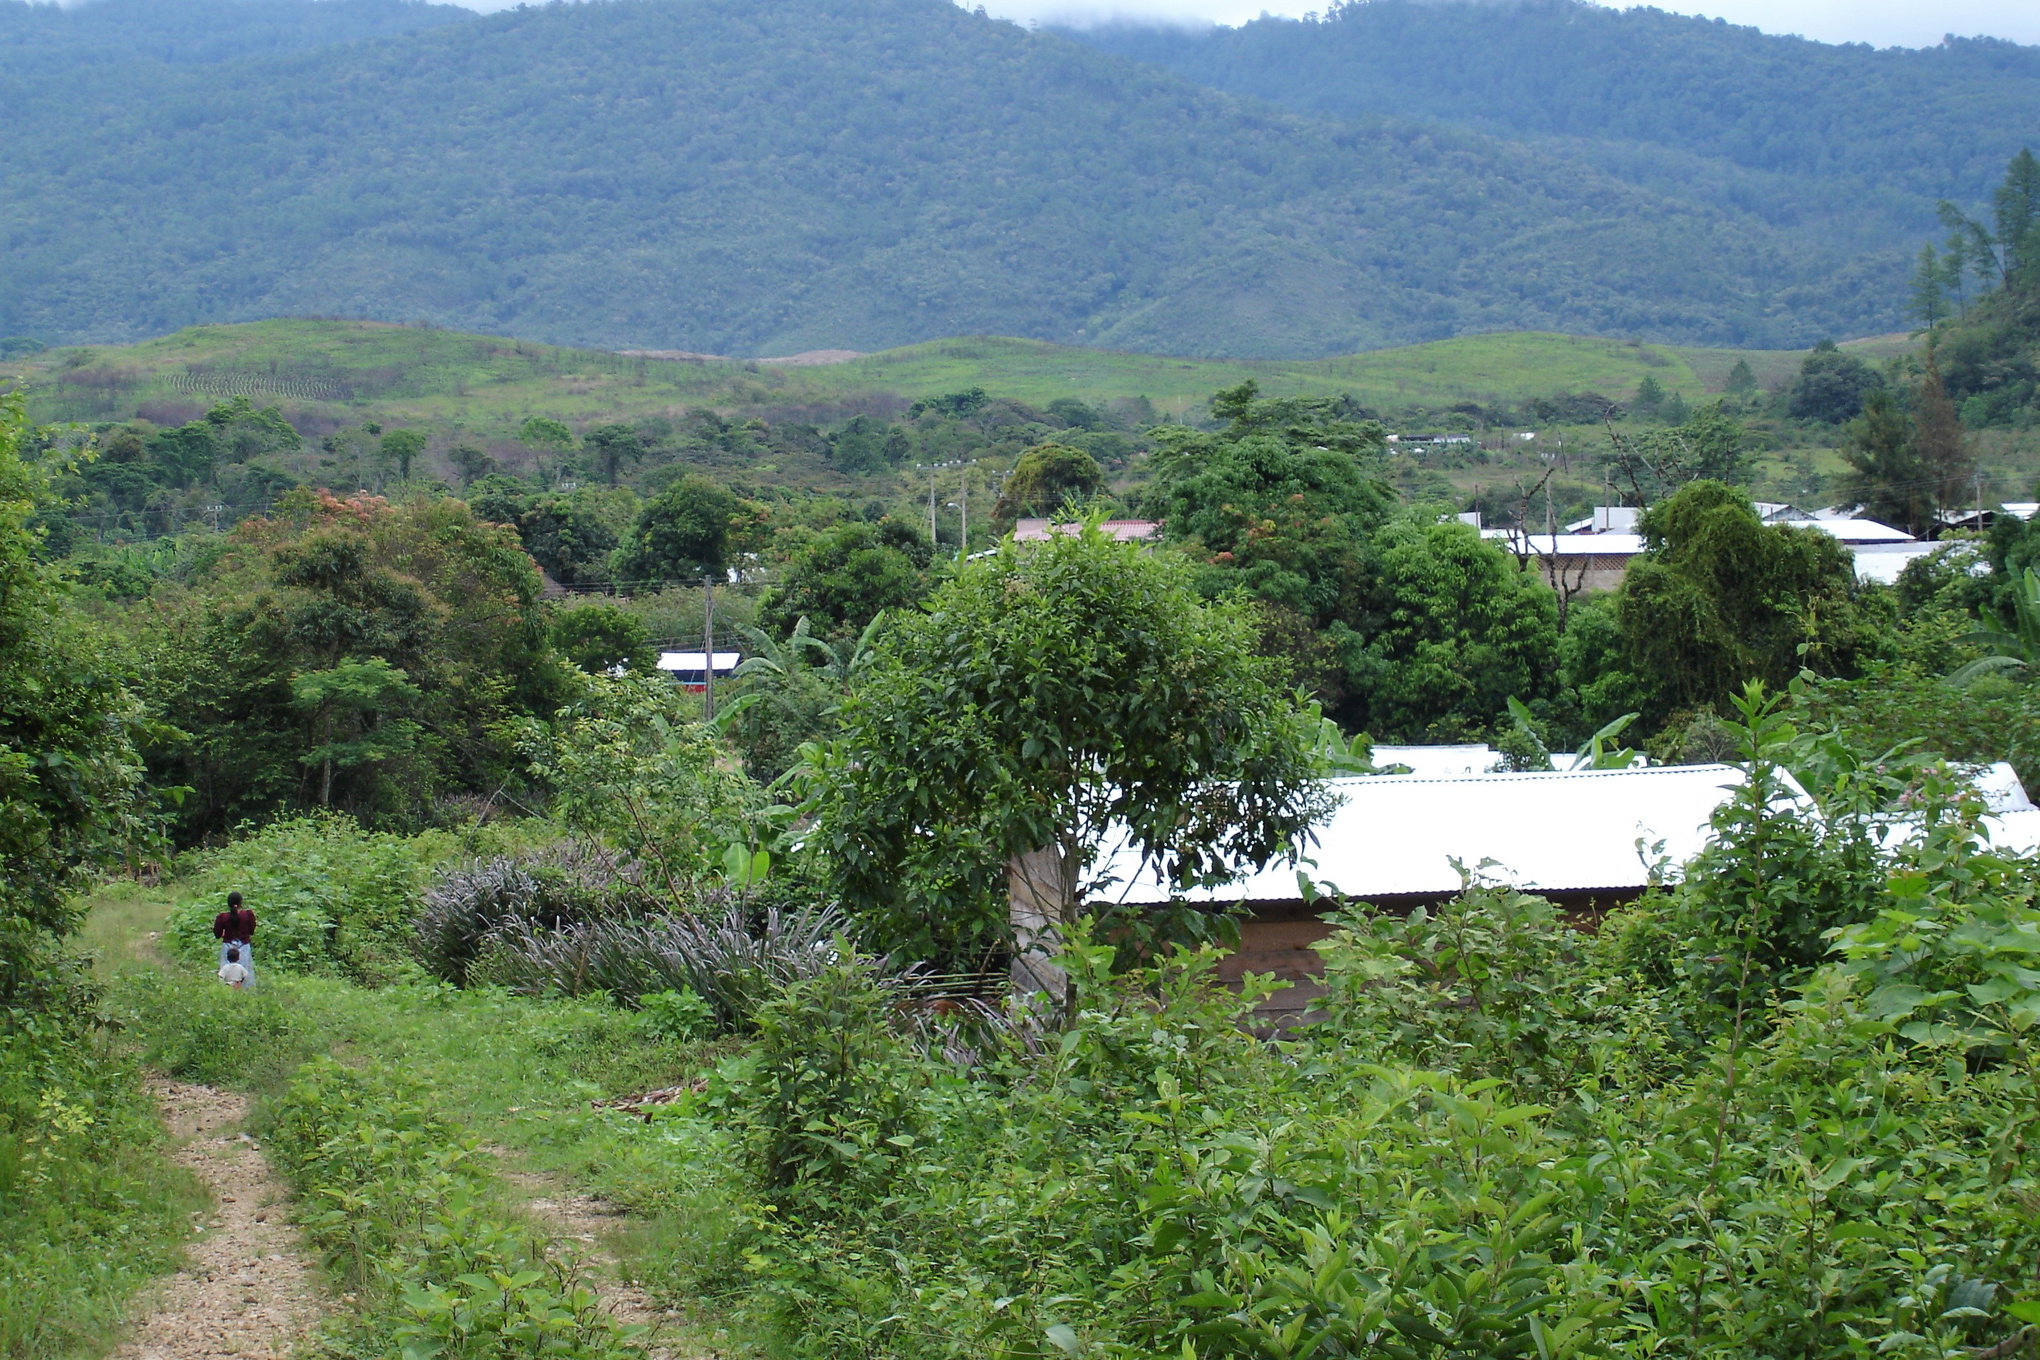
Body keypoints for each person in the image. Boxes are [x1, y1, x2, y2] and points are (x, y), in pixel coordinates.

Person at [213, 891, 256, 988]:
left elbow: (217, 933)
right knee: (245, 970)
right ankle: (245, 990)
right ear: (241, 903)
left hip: (227, 946)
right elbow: (251, 930)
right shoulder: (248, 915)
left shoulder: (222, 917)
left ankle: (226, 990)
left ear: (228, 903)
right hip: (244, 945)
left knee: (226, 969)